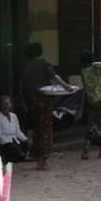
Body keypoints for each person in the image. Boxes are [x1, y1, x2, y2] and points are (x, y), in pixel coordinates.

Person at [20, 42, 57, 170]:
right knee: (45, 131)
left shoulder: (26, 66)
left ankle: (37, 158)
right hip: (44, 102)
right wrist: (66, 87)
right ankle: (43, 159)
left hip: (31, 103)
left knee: (36, 130)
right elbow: (54, 77)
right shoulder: (43, 63)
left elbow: (22, 87)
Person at [81, 50, 101, 160]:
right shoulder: (97, 69)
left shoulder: (84, 71)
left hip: (91, 99)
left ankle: (86, 147)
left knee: (92, 124)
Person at [0, 95, 28, 164]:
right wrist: (9, 142)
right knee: (12, 148)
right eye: (4, 104)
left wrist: (26, 139)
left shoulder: (14, 116)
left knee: (26, 144)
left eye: (8, 104)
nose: (6, 106)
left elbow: (17, 132)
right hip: (4, 143)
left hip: (14, 140)